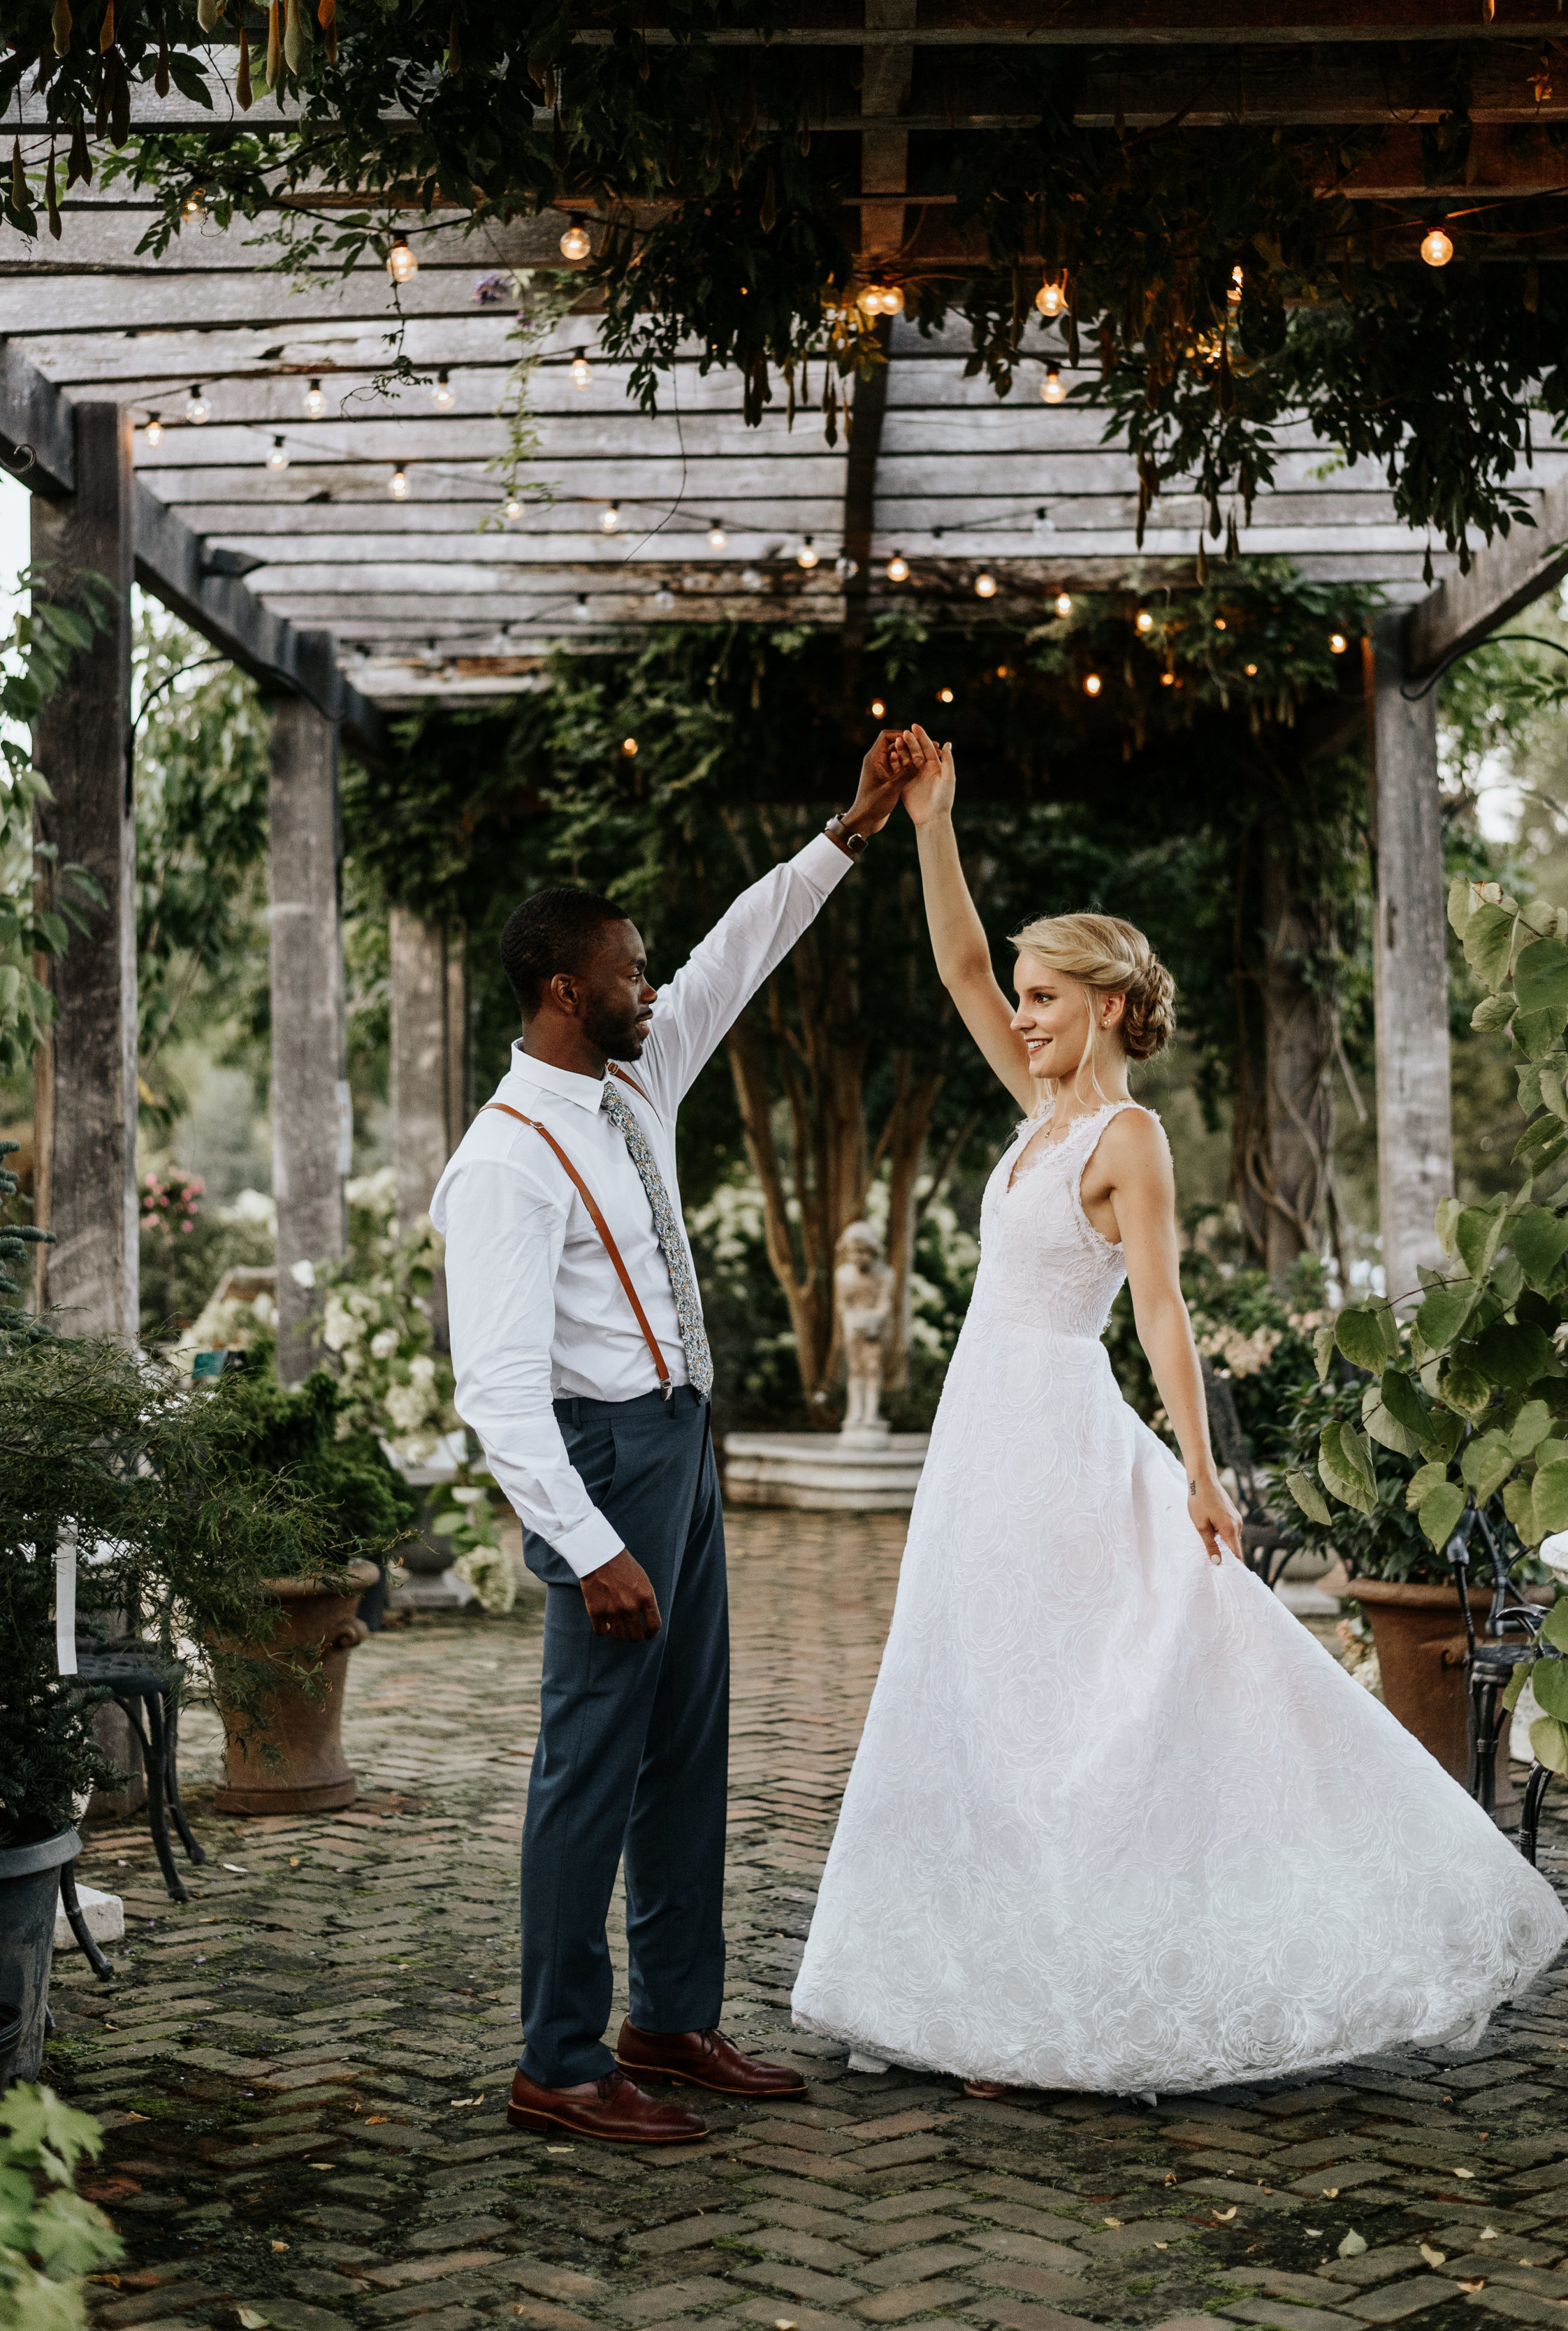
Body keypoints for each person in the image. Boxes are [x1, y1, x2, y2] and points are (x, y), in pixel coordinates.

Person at [791, 727, 1567, 2097]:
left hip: (1056, 1439)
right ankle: (994, 1997)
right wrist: (930, 822)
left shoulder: (1122, 1139)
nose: (1018, 1011)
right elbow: (959, 964)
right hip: (983, 1439)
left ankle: (1068, 1998)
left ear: (1098, 1004)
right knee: (985, 1695)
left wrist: (1200, 1470)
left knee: (1065, 1708)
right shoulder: (1034, 1110)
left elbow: (1156, 1309)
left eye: (1043, 996)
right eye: (1020, 997)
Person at [433, 734, 910, 2147]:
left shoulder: (633, 1081)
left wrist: (852, 824)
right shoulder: (505, 1160)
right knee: (587, 1764)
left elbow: (733, 952)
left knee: (686, 1747)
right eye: (629, 973)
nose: (654, 987)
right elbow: (497, 1389)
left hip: (682, 1448)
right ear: (568, 992)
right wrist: (588, 1547)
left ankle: (670, 2017)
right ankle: (560, 2060)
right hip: (601, 1467)